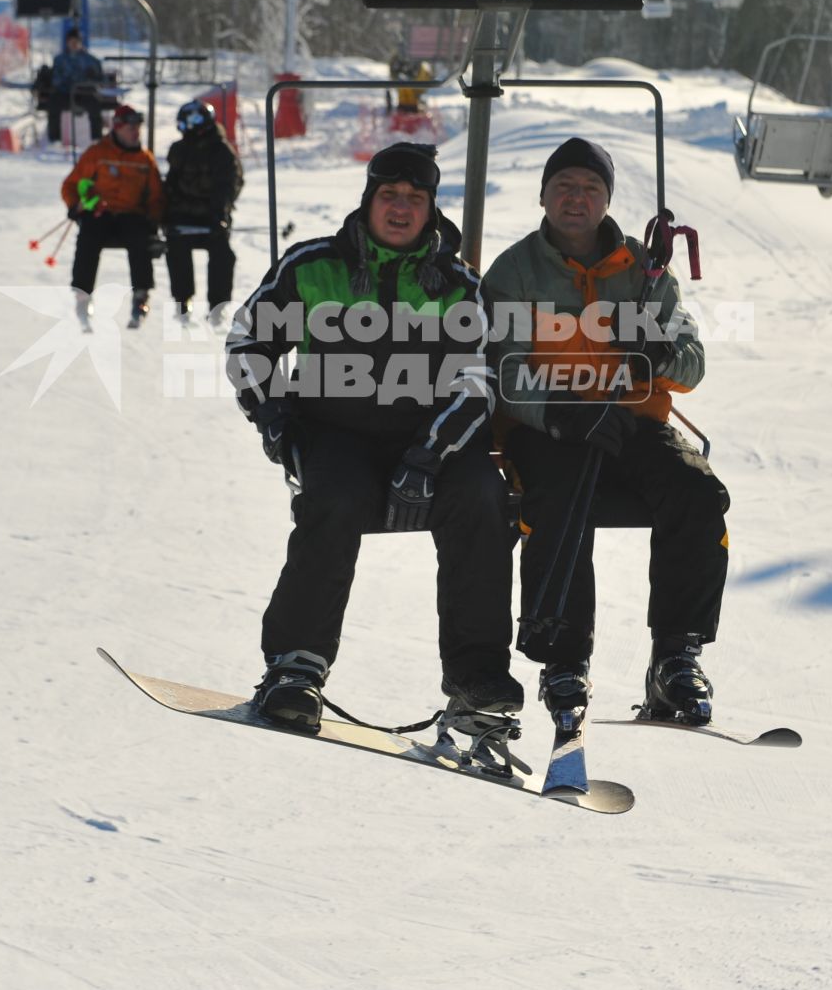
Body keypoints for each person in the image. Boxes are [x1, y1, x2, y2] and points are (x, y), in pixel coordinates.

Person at [224, 142, 520, 734]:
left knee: (485, 501)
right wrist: (276, 419)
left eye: (415, 199)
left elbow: (480, 380)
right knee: (333, 502)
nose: (401, 209)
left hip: (433, 442)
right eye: (390, 195)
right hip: (335, 430)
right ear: (369, 200)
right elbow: (247, 346)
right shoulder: (312, 267)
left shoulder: (458, 286)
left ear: (432, 209)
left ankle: (477, 678)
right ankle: (295, 667)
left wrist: (429, 455)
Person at [480, 137, 730, 728]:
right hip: (549, 429)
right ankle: (563, 657)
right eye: (564, 186)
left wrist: (660, 354)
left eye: (590, 187)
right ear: (543, 195)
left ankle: (676, 652)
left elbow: (693, 362)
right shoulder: (515, 271)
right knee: (561, 491)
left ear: (607, 199)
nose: (576, 198)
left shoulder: (644, 272)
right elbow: (504, 367)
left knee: (696, 491)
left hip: (632, 420)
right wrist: (561, 411)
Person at [60, 105, 163, 328]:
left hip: (131, 214)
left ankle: (141, 296)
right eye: (130, 128)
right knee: (89, 237)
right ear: (117, 128)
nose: (135, 132)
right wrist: (75, 205)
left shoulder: (145, 160)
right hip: (101, 212)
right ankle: (82, 295)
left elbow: (155, 196)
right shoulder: (98, 154)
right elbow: (71, 184)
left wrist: (154, 220)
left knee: (139, 239)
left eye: (138, 128)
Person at [162, 99, 244, 325]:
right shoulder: (178, 150)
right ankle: (183, 299)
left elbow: (229, 185)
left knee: (222, 255)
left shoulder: (222, 151)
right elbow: (171, 185)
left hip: (212, 215)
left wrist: (220, 213)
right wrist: (166, 213)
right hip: (183, 214)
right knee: (176, 247)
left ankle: (217, 306)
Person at [38, 28, 107, 150]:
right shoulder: (60, 60)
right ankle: (55, 140)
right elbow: (56, 79)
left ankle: (97, 139)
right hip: (65, 94)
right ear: (67, 42)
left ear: (81, 42)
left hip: (84, 94)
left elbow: (101, 79)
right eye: (71, 41)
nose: (74, 44)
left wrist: (91, 80)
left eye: (76, 41)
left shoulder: (90, 60)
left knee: (94, 105)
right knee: (54, 103)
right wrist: (66, 83)